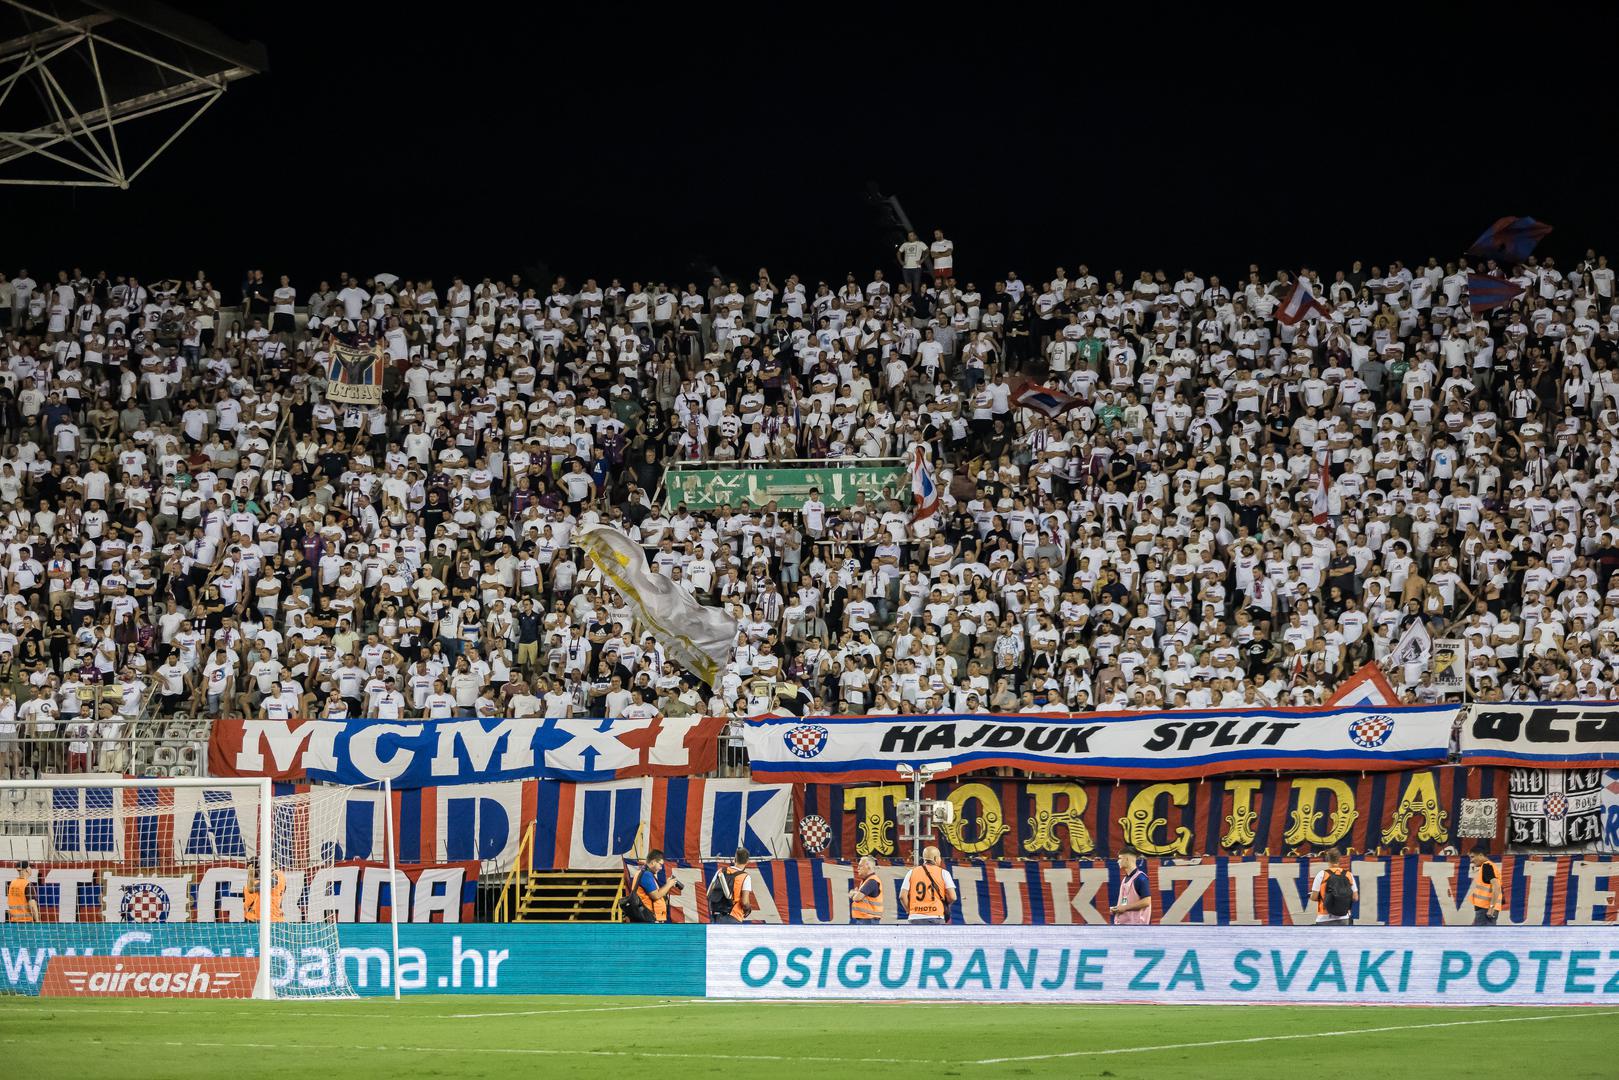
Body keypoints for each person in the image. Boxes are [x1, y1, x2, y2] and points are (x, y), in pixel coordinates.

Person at [898, 845, 956, 925]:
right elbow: (953, 897)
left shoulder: (911, 873)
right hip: (936, 916)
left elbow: (902, 896)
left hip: (915, 917)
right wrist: (945, 904)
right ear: (936, 858)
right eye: (939, 857)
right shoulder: (944, 873)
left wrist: (909, 910)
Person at [707, 846, 757, 924]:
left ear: (734, 859)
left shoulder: (721, 871)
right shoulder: (745, 877)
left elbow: (709, 893)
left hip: (715, 915)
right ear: (747, 861)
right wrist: (748, 909)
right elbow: (744, 902)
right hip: (733, 916)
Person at [1308, 847, 1357, 925]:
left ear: (1328, 859)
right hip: (1344, 917)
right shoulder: (1348, 875)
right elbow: (1355, 898)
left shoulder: (1322, 874)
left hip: (1324, 918)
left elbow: (1314, 897)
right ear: (1339, 859)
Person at [631, 849, 682, 924]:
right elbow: (655, 895)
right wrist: (668, 884)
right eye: (660, 865)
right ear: (653, 862)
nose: (661, 868)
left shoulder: (644, 873)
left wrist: (668, 886)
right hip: (647, 918)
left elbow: (659, 894)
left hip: (647, 916)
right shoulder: (646, 874)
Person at [1109, 848, 1151, 924]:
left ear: (1127, 859)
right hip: (1125, 926)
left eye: (1120, 858)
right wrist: (1117, 908)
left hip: (1136, 928)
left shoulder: (1140, 878)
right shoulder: (1125, 879)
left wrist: (1124, 907)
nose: (1118, 861)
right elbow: (1125, 902)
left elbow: (1146, 901)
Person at [243, 858, 286, 923]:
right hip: (275, 916)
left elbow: (251, 889)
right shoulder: (281, 876)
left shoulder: (274, 877)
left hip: (262, 918)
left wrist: (250, 873)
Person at [1469, 850, 1502, 925]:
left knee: (1481, 935)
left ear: (1480, 855)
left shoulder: (1486, 866)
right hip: (1485, 910)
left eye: (1472, 857)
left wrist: (1491, 908)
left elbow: (1496, 887)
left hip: (1485, 911)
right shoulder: (1491, 866)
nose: (1471, 860)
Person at [849, 855, 884, 924]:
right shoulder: (868, 880)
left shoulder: (871, 881)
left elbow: (857, 898)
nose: (858, 868)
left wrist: (853, 894)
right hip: (867, 919)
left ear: (868, 866)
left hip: (868, 920)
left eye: (860, 866)